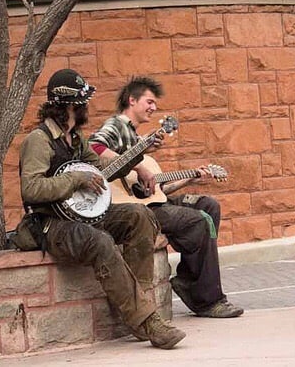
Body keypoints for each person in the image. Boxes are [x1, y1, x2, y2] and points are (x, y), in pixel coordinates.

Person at [18, 68, 186, 349]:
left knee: (139, 215)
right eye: (82, 103)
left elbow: (103, 171)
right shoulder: (39, 140)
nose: (86, 108)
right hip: (51, 224)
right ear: (68, 105)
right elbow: (31, 189)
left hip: (84, 215)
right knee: (100, 241)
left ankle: (143, 307)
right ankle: (146, 321)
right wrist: (75, 179)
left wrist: (139, 153)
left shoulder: (75, 139)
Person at [89, 76, 243, 319]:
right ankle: (208, 301)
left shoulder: (134, 136)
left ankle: (188, 280)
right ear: (132, 100)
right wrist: (137, 167)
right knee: (199, 221)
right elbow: (94, 148)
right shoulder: (117, 125)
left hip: (152, 202)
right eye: (149, 102)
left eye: (155, 104)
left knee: (208, 205)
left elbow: (157, 191)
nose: (153, 108)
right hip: (129, 209)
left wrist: (191, 178)